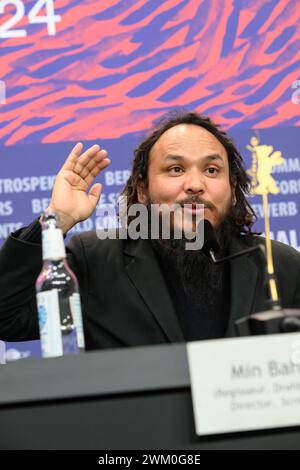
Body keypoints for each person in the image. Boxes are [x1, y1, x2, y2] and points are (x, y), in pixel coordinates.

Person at [0, 112, 299, 349]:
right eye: (176, 169)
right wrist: (58, 219)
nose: (196, 184)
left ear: (233, 190)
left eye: (211, 170)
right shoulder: (94, 261)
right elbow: (7, 318)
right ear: (142, 190)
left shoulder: (279, 264)